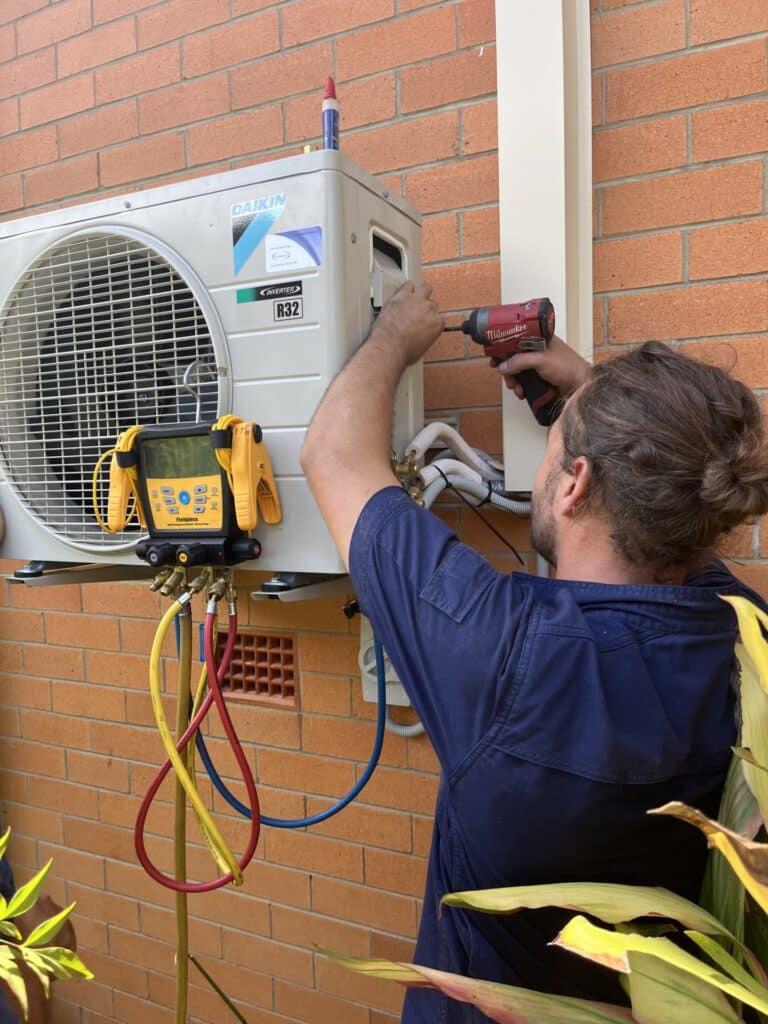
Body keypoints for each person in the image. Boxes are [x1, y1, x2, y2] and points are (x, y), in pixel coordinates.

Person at [301, 282, 768, 1023]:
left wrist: (393, 334)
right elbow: (680, 523)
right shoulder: (749, 641)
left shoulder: (500, 646)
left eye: (555, 453)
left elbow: (332, 455)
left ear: (575, 485)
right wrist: (589, 403)